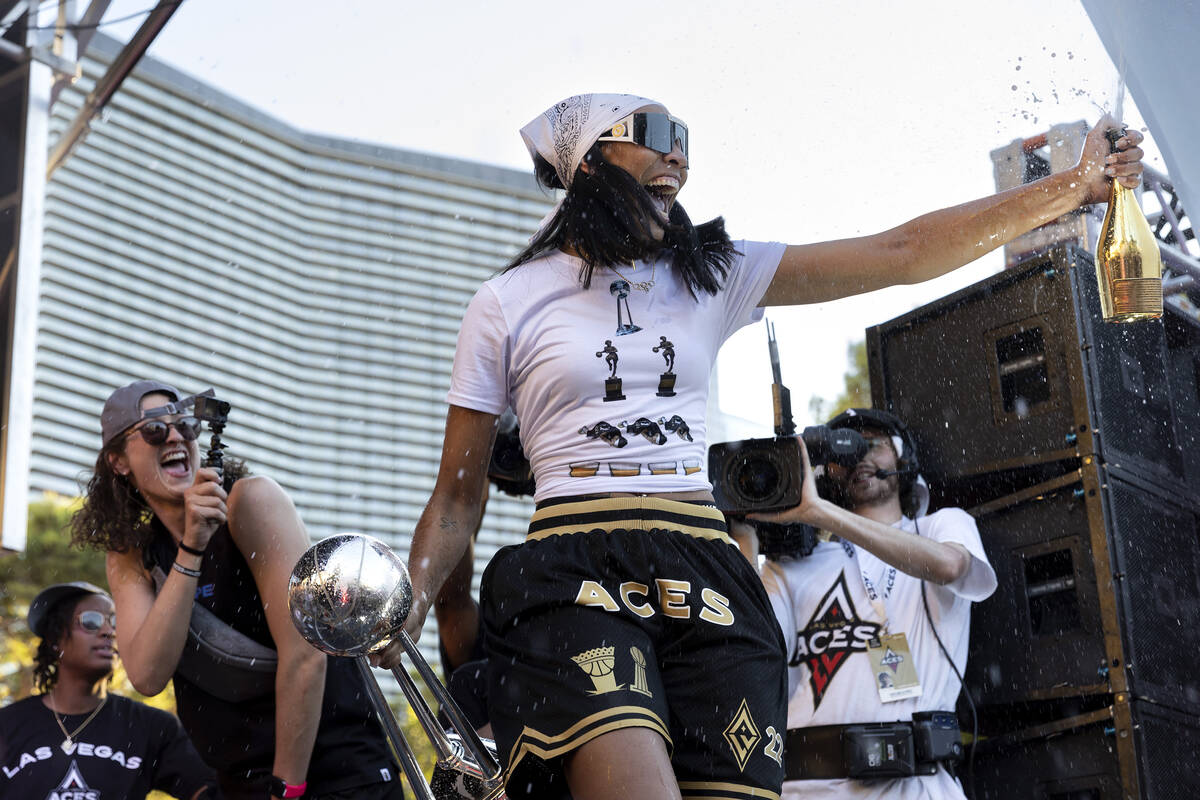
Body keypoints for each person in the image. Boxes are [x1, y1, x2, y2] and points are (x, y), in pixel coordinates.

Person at [378, 92, 1144, 800]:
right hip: (575, 566)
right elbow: (457, 497)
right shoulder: (506, 302)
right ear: (587, 162)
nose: (678, 156)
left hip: (704, 566)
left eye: (685, 142)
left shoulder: (715, 275)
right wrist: (407, 599)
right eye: (653, 136)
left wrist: (1072, 188)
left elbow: (900, 251)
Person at [71, 381, 401, 800]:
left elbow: (306, 653)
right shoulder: (134, 556)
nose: (175, 436)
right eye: (154, 429)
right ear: (118, 461)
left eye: (186, 425)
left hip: (333, 774)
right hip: (241, 782)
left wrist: (287, 788)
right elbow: (147, 674)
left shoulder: (250, 501)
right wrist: (191, 548)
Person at [745, 409, 997, 799]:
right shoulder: (795, 565)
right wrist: (745, 534)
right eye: (844, 449)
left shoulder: (940, 526)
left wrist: (820, 513)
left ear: (902, 456)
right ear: (827, 472)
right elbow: (751, 652)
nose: (859, 455)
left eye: (872, 443)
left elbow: (950, 566)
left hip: (915, 786)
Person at [0, 581, 216, 800]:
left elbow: (208, 790)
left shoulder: (151, 726)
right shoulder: (6, 726)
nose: (108, 631)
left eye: (115, 622)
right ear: (55, 639)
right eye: (90, 622)